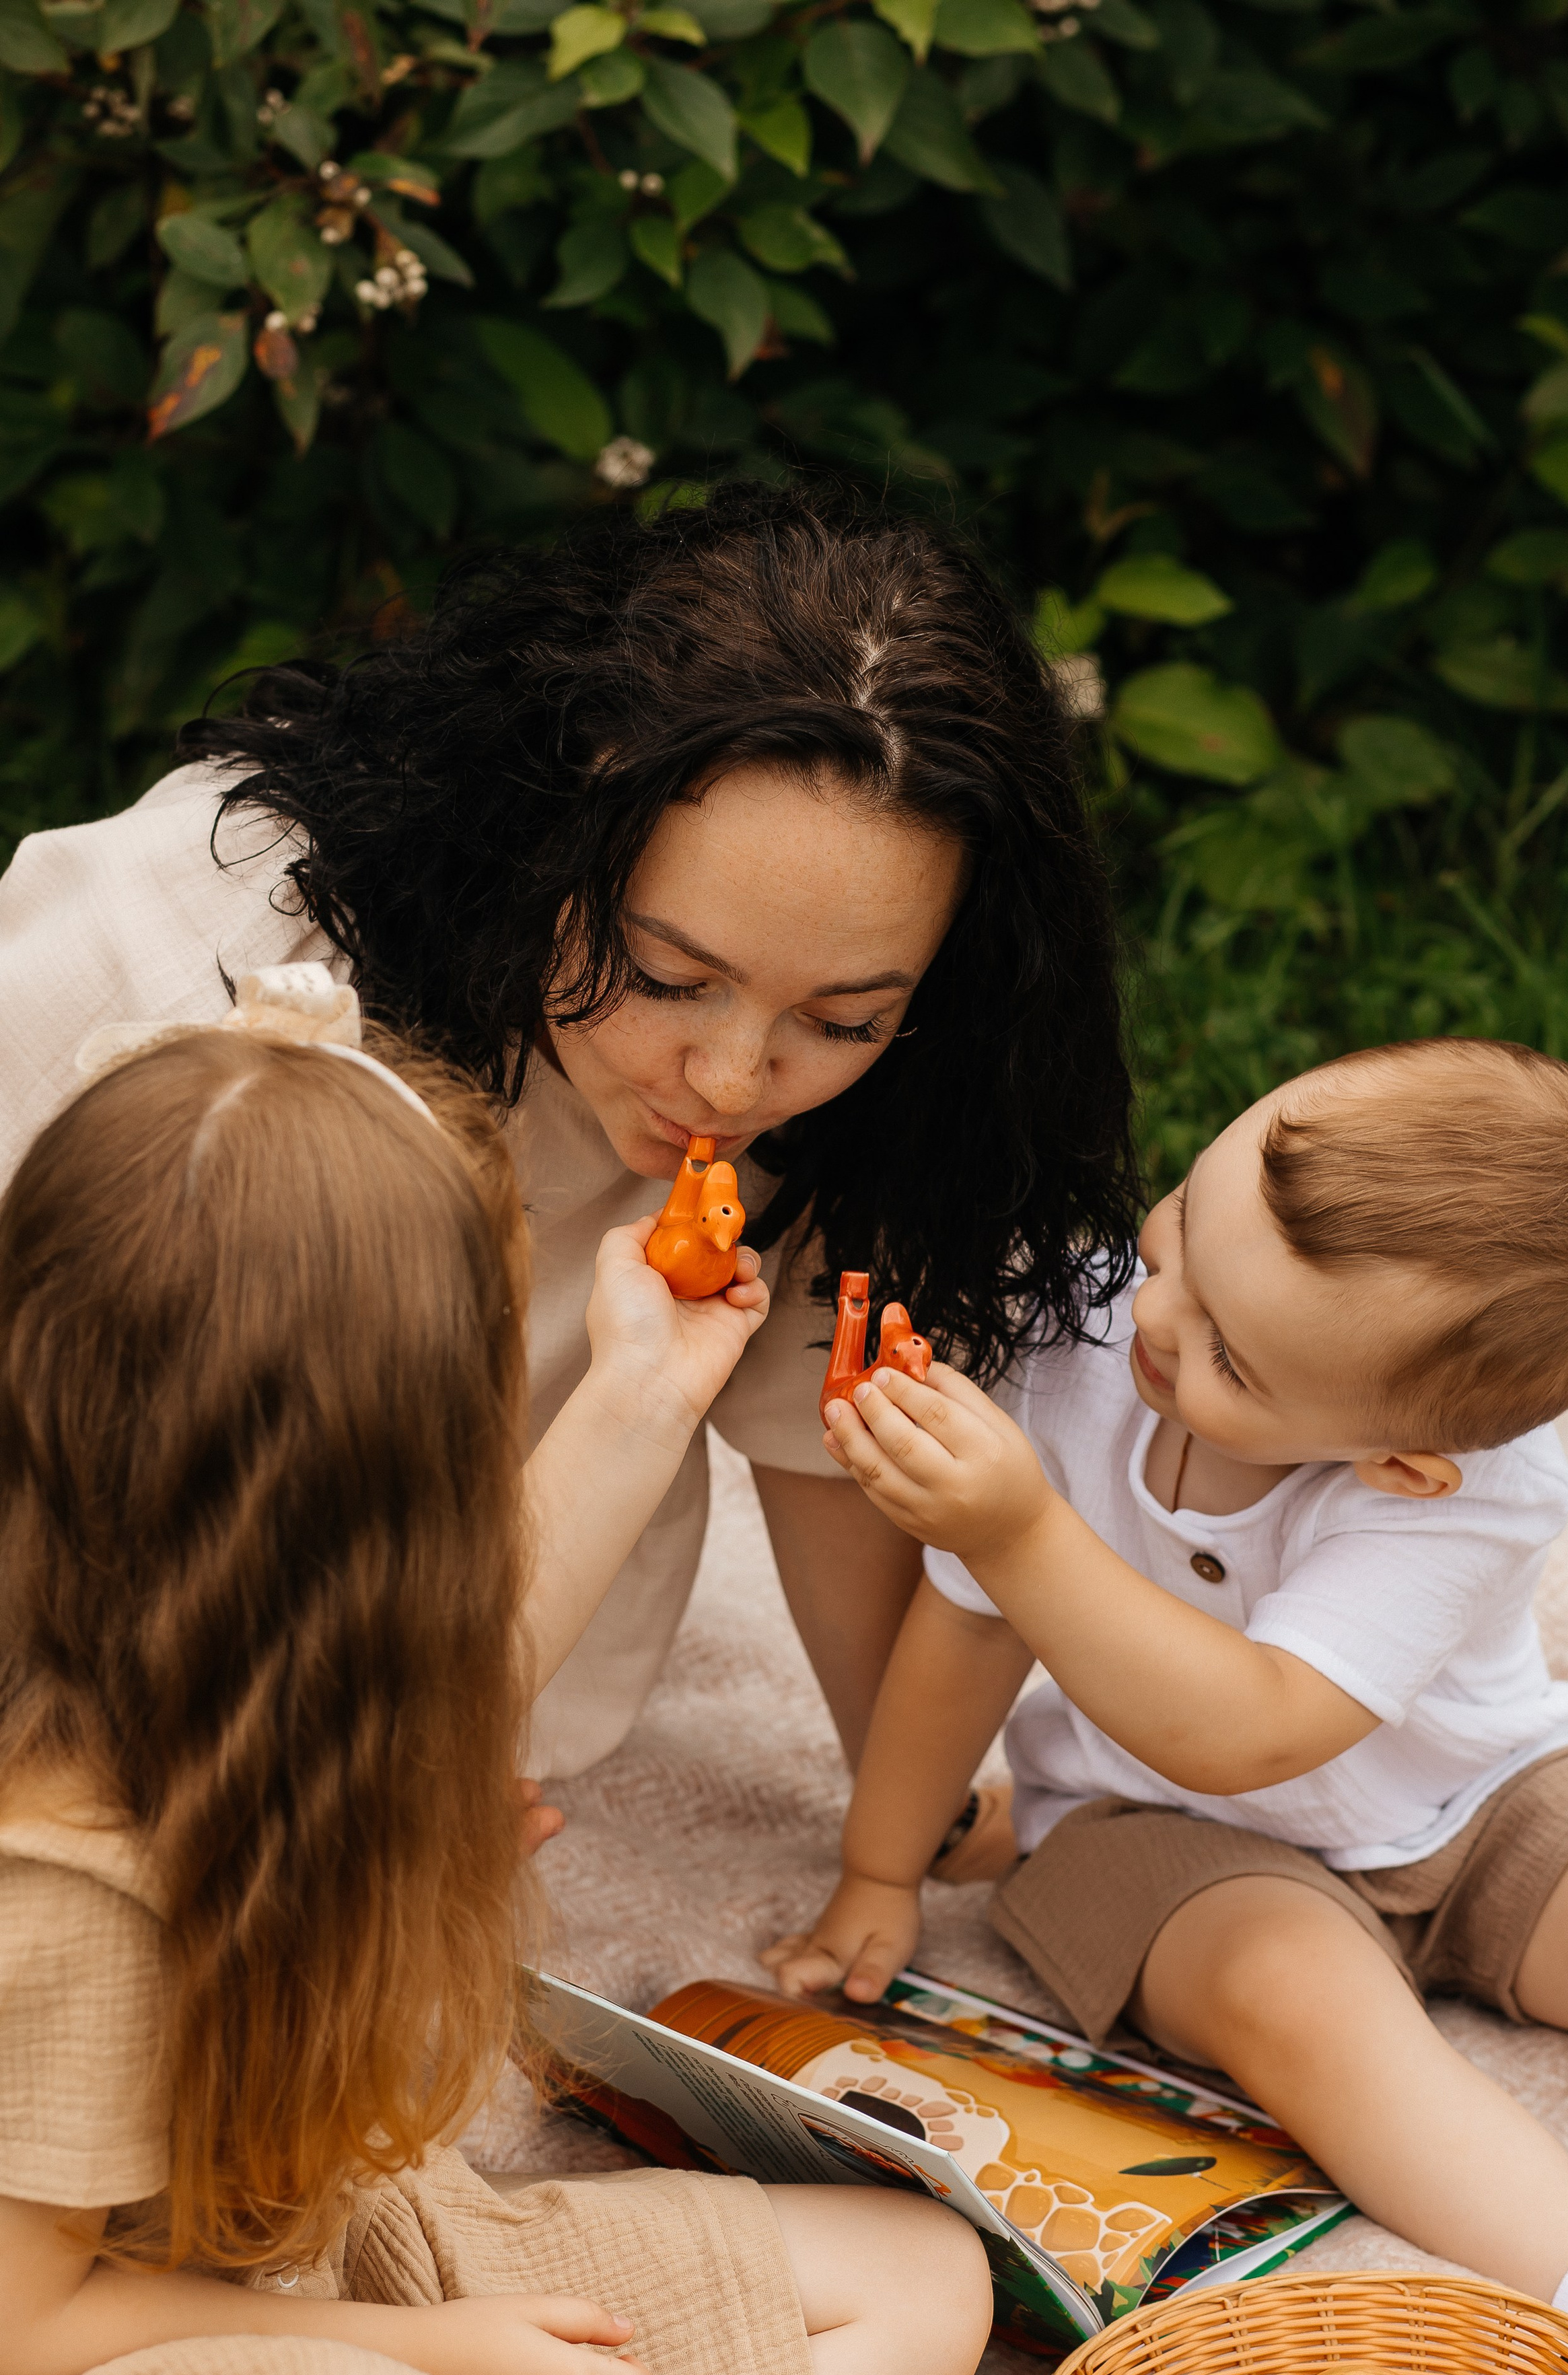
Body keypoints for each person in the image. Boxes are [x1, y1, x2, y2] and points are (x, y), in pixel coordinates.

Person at [0, 991, 993, 2375]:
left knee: (926, 2276)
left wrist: (646, 1386)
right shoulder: (61, 1880)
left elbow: (470, 1670)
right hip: (107, 2374)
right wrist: (452, 2371)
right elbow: (32, 2314)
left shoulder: (261, 1657)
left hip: (303, 2254)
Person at [0, 486, 1138, 1828]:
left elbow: (824, 1436)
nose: (728, 1083)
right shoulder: (183, 953)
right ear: (550, 823)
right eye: (666, 976)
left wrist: (916, 1816)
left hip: (444, 1709)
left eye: (843, 1019)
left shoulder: (856, 1109)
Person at [764, 1036, 1568, 2345]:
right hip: (1158, 1838)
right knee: (1302, 2010)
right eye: (1177, 1237)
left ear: (1402, 1465)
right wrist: (882, 1866)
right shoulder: (1074, 1339)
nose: (1149, 1323)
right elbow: (967, 1627)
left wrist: (1021, 1530)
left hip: (1475, 1800)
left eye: (1228, 1358)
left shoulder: (1471, 1496)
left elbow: (1251, 1723)